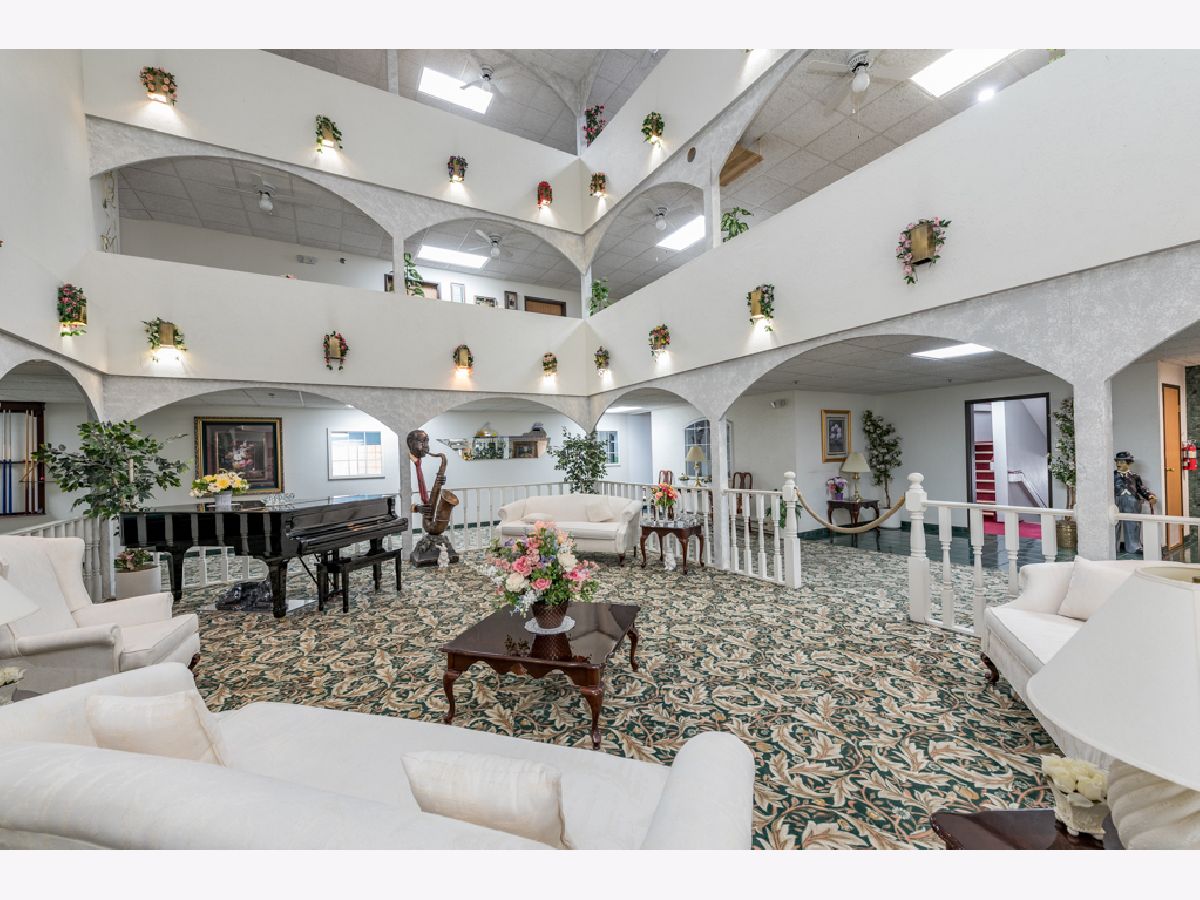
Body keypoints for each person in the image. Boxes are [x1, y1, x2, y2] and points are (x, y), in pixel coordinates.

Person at [1114, 450, 1156, 555]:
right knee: (1113, 523)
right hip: (1115, 500)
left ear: (1129, 463)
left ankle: (1134, 546)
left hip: (1131, 501)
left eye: (1122, 462)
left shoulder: (1135, 476)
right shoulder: (1111, 476)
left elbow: (1141, 488)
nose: (1118, 464)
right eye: (1117, 461)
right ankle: (1112, 546)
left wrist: (1149, 496)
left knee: (1132, 523)